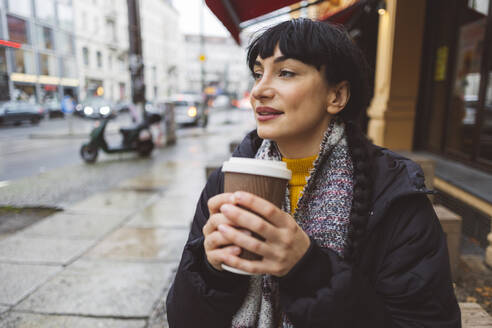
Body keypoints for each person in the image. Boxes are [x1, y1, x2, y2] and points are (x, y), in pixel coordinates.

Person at [166, 18, 461, 327]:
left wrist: (308, 270)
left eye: (286, 73)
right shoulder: (226, 182)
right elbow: (184, 319)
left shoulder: (390, 194)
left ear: (336, 97)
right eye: (257, 74)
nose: (259, 91)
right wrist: (211, 271)